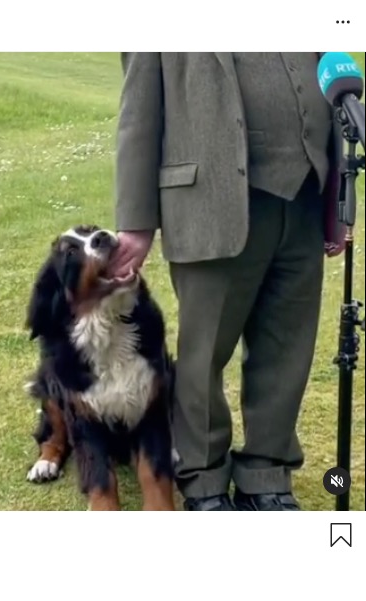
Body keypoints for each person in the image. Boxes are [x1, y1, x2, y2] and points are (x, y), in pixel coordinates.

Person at [110, 53, 344, 511]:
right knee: (203, 356)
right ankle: (203, 479)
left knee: (287, 350)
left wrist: (337, 198)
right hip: (207, 205)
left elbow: (333, 91)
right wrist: (136, 222)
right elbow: (137, 113)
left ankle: (267, 474)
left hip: (302, 200)